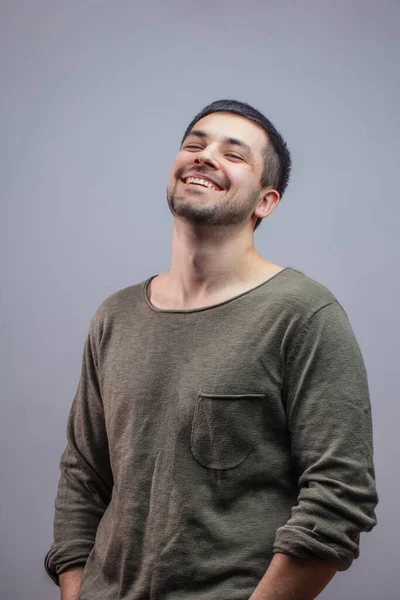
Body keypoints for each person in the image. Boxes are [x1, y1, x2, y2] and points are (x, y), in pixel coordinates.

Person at [45, 99, 378, 600]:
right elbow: (83, 477)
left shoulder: (303, 314)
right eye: (194, 145)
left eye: (233, 154)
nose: (204, 156)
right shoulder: (114, 316)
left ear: (265, 201)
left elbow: (340, 498)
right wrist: (76, 590)